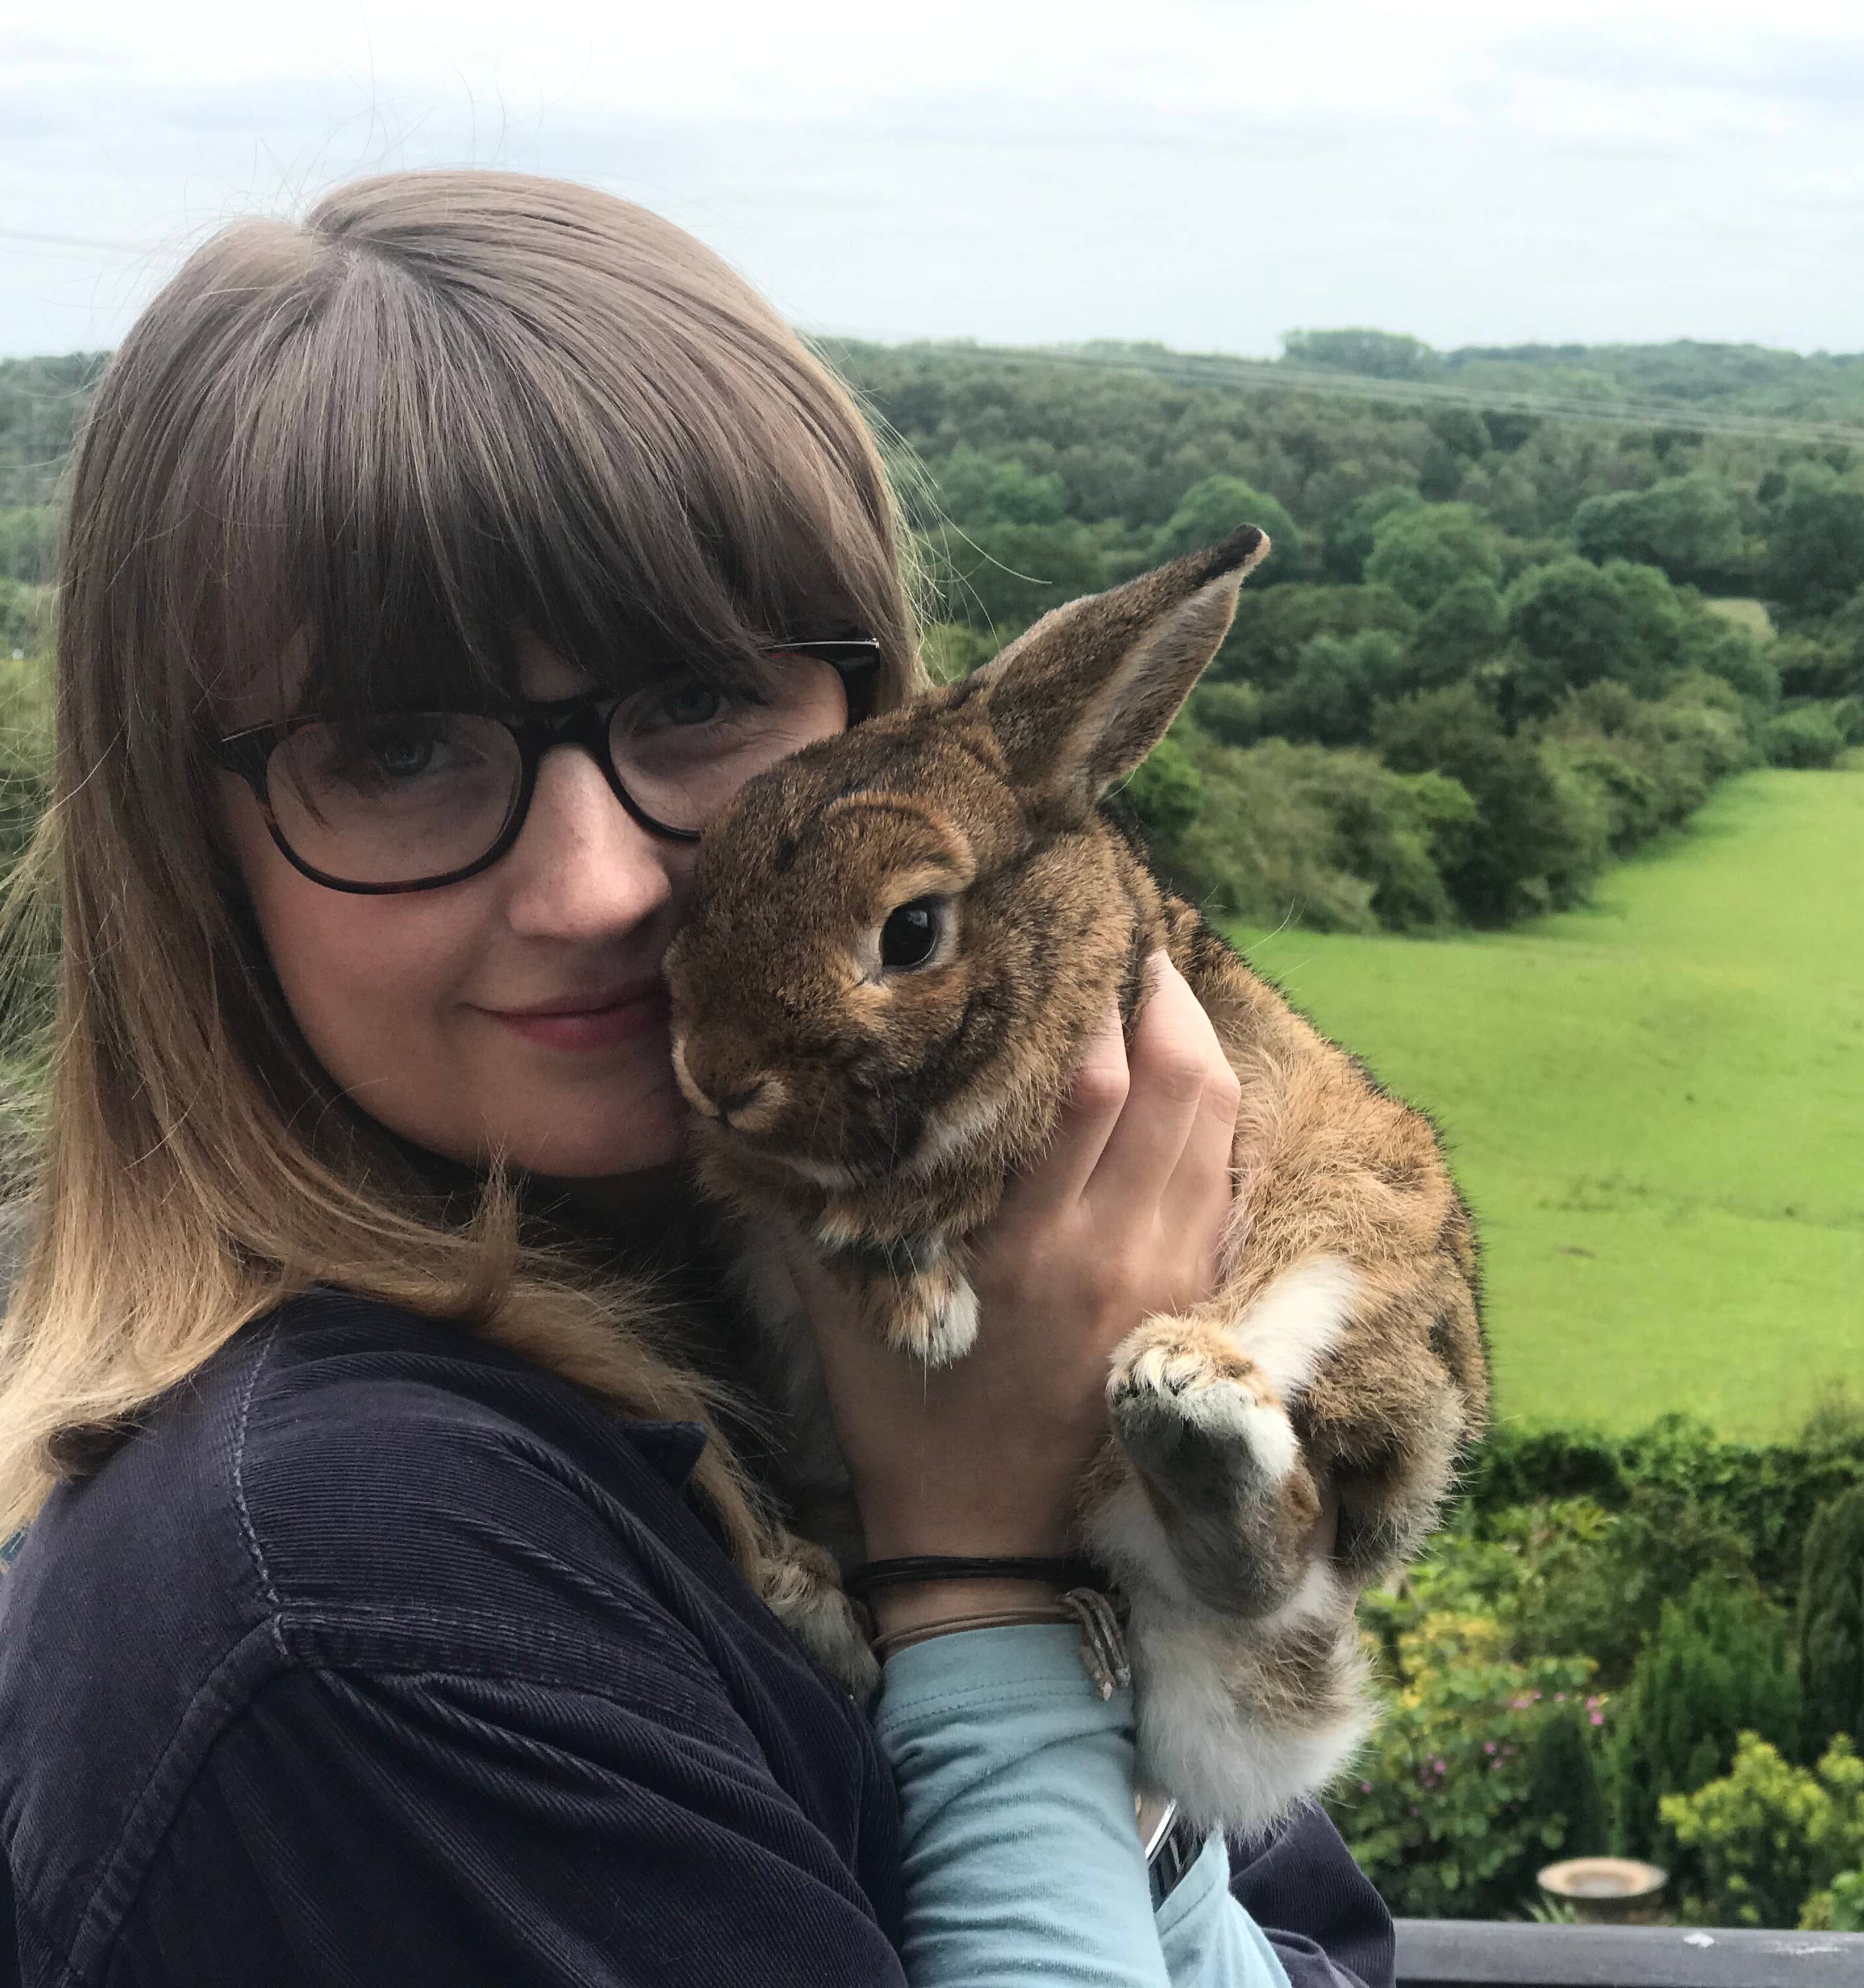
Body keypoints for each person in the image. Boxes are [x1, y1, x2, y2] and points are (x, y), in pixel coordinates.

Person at [0, 170, 1395, 1988]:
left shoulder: (758, 1314)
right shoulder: (349, 1620)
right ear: (193, 856)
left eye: (699, 703)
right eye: (400, 749)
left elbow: (1310, 1945)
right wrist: (986, 1578)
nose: (600, 887)